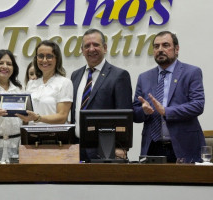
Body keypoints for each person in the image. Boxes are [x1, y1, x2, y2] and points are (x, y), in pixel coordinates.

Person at [133, 31, 205, 163]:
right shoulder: (144, 77)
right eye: (156, 46)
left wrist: (166, 111)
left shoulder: (191, 72)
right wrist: (143, 111)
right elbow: (135, 114)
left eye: (165, 45)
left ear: (176, 49)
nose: (160, 50)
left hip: (183, 146)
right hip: (152, 147)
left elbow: (198, 105)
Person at [70, 28, 132, 159]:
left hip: (106, 149)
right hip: (76, 147)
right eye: (87, 46)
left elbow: (124, 115)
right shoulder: (75, 75)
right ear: (82, 51)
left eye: (96, 45)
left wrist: (121, 147)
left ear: (105, 48)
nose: (91, 49)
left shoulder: (119, 75)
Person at [16, 40, 73, 124]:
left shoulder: (65, 83)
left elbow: (62, 117)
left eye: (49, 56)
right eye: (41, 56)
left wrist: (38, 118)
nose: (44, 60)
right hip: (31, 134)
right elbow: (26, 115)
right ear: (36, 59)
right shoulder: (31, 84)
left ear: (57, 59)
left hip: (53, 135)